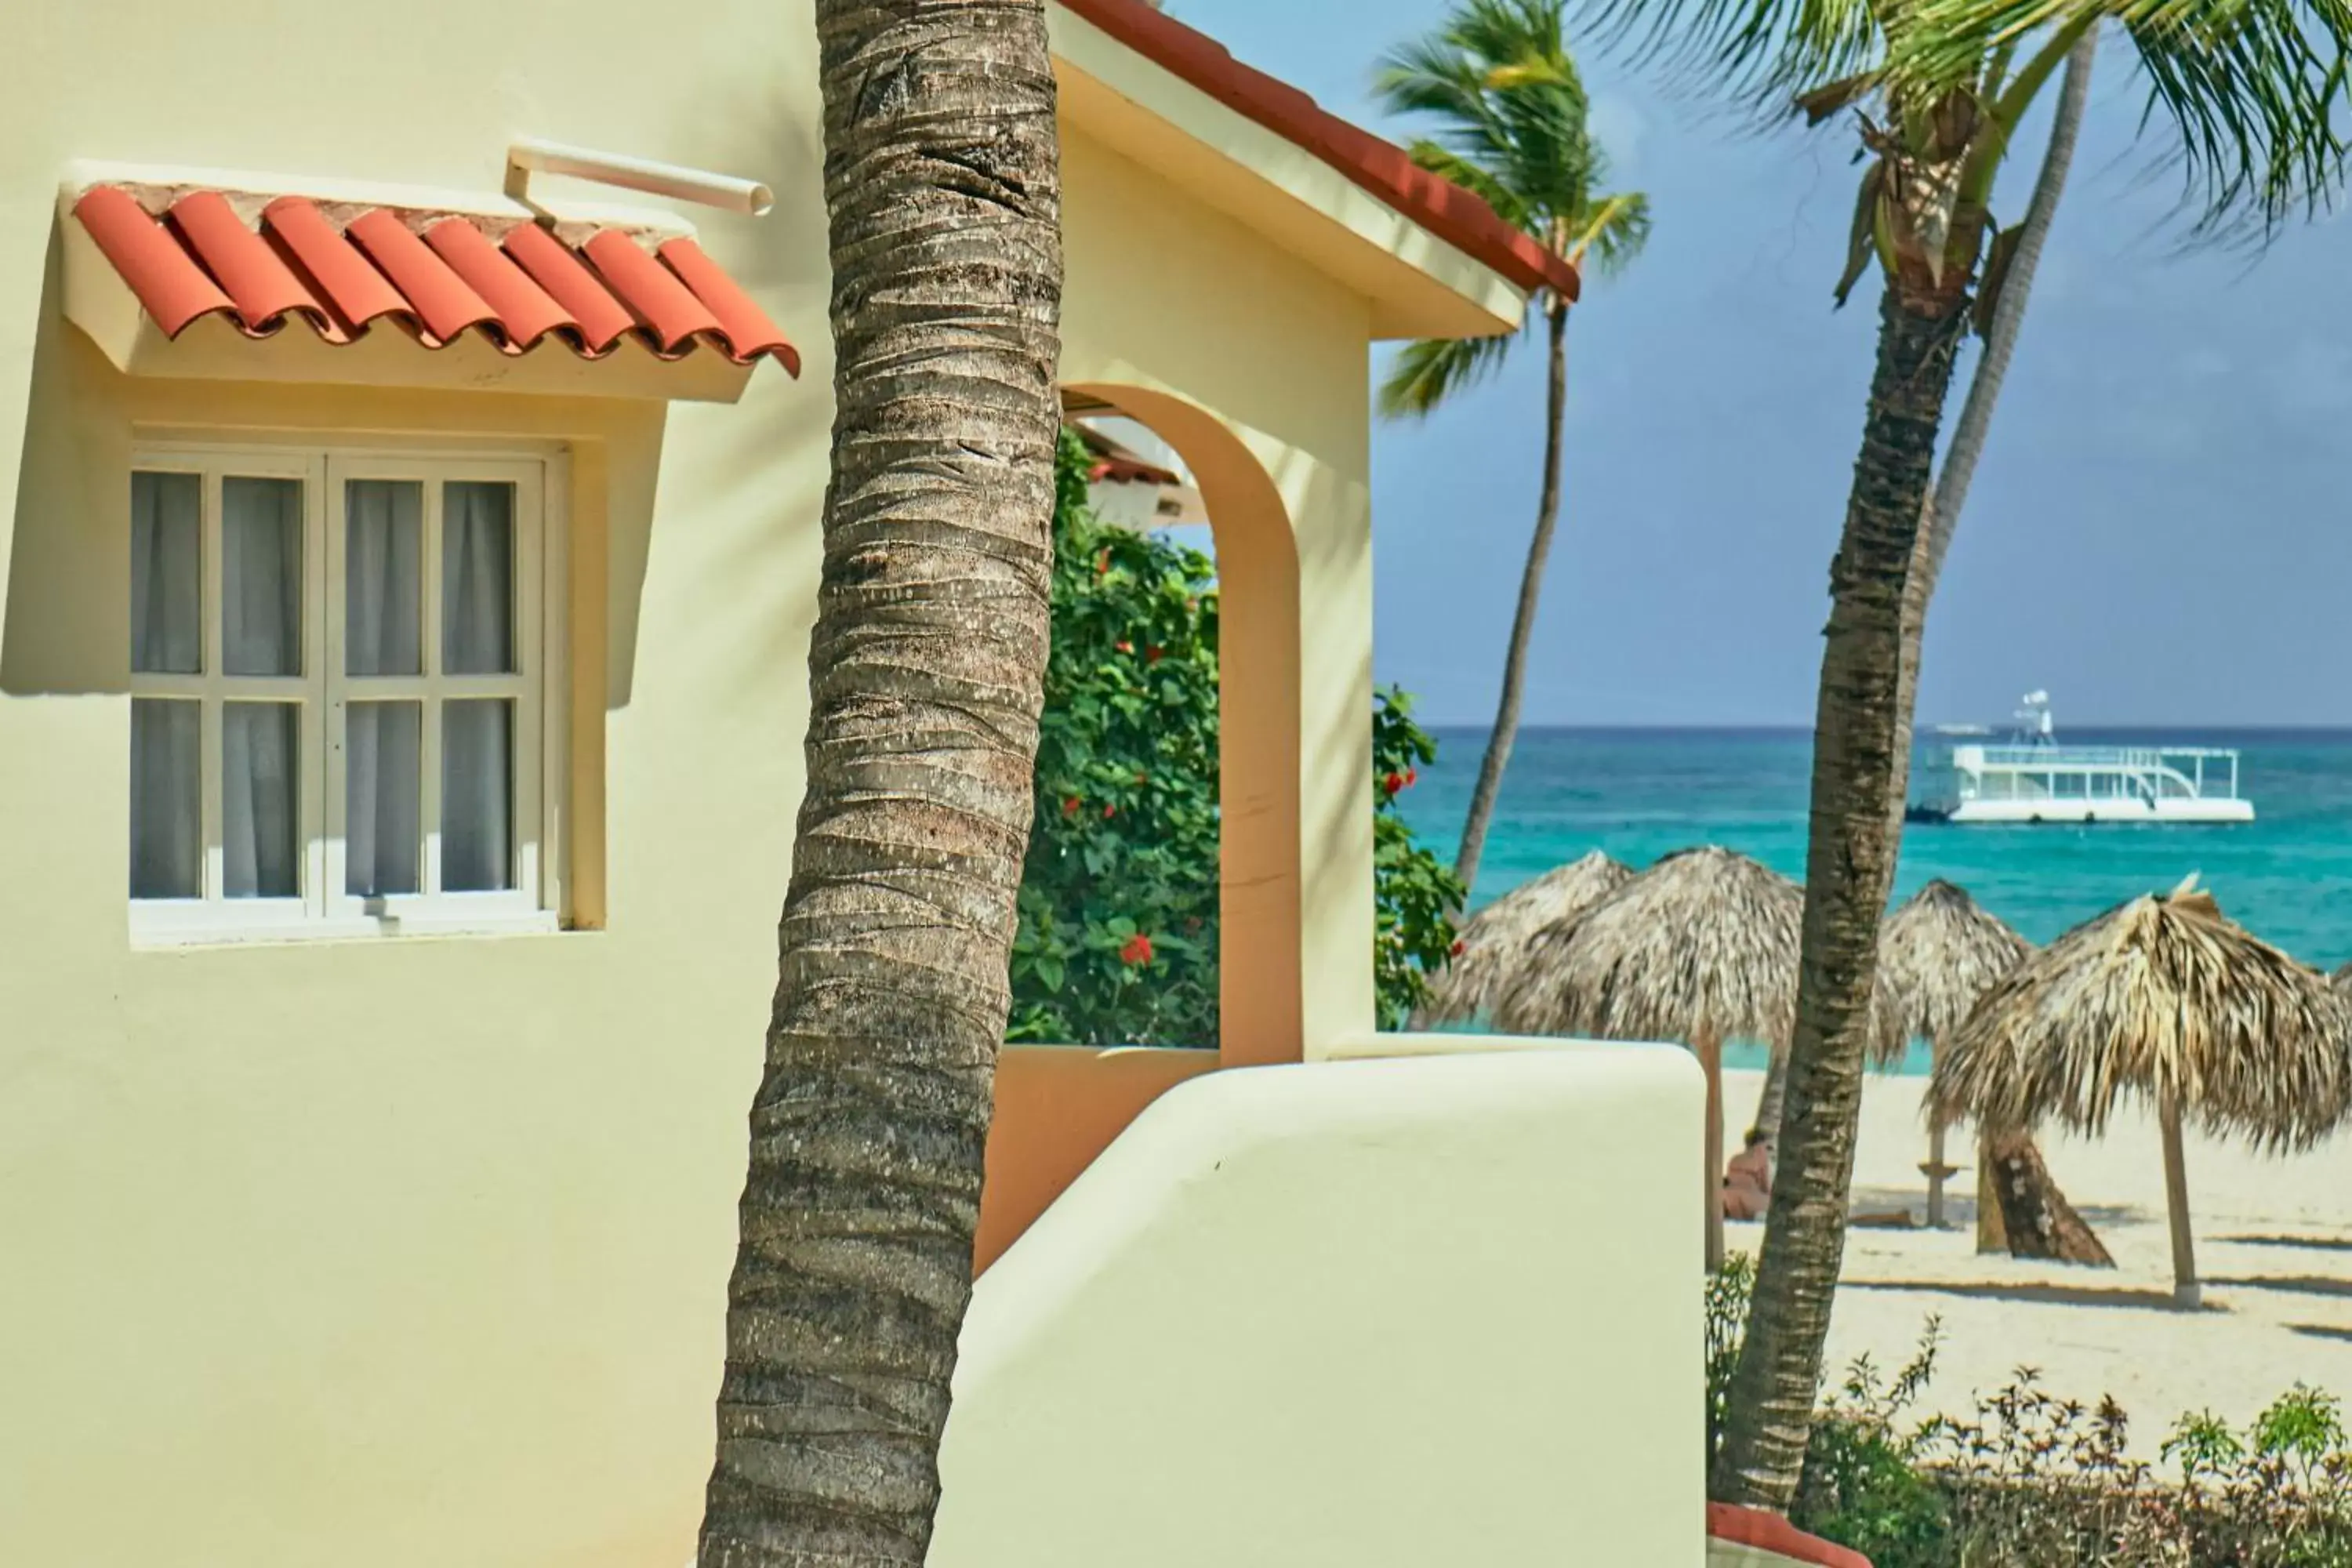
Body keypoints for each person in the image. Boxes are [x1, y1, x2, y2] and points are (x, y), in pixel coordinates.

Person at [1722, 1127, 1772, 1221]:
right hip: (1749, 1199)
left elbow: (1729, 1178)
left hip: (1735, 1196)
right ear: (1760, 1145)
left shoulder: (1735, 1159)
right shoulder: (1761, 1159)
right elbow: (1765, 1187)